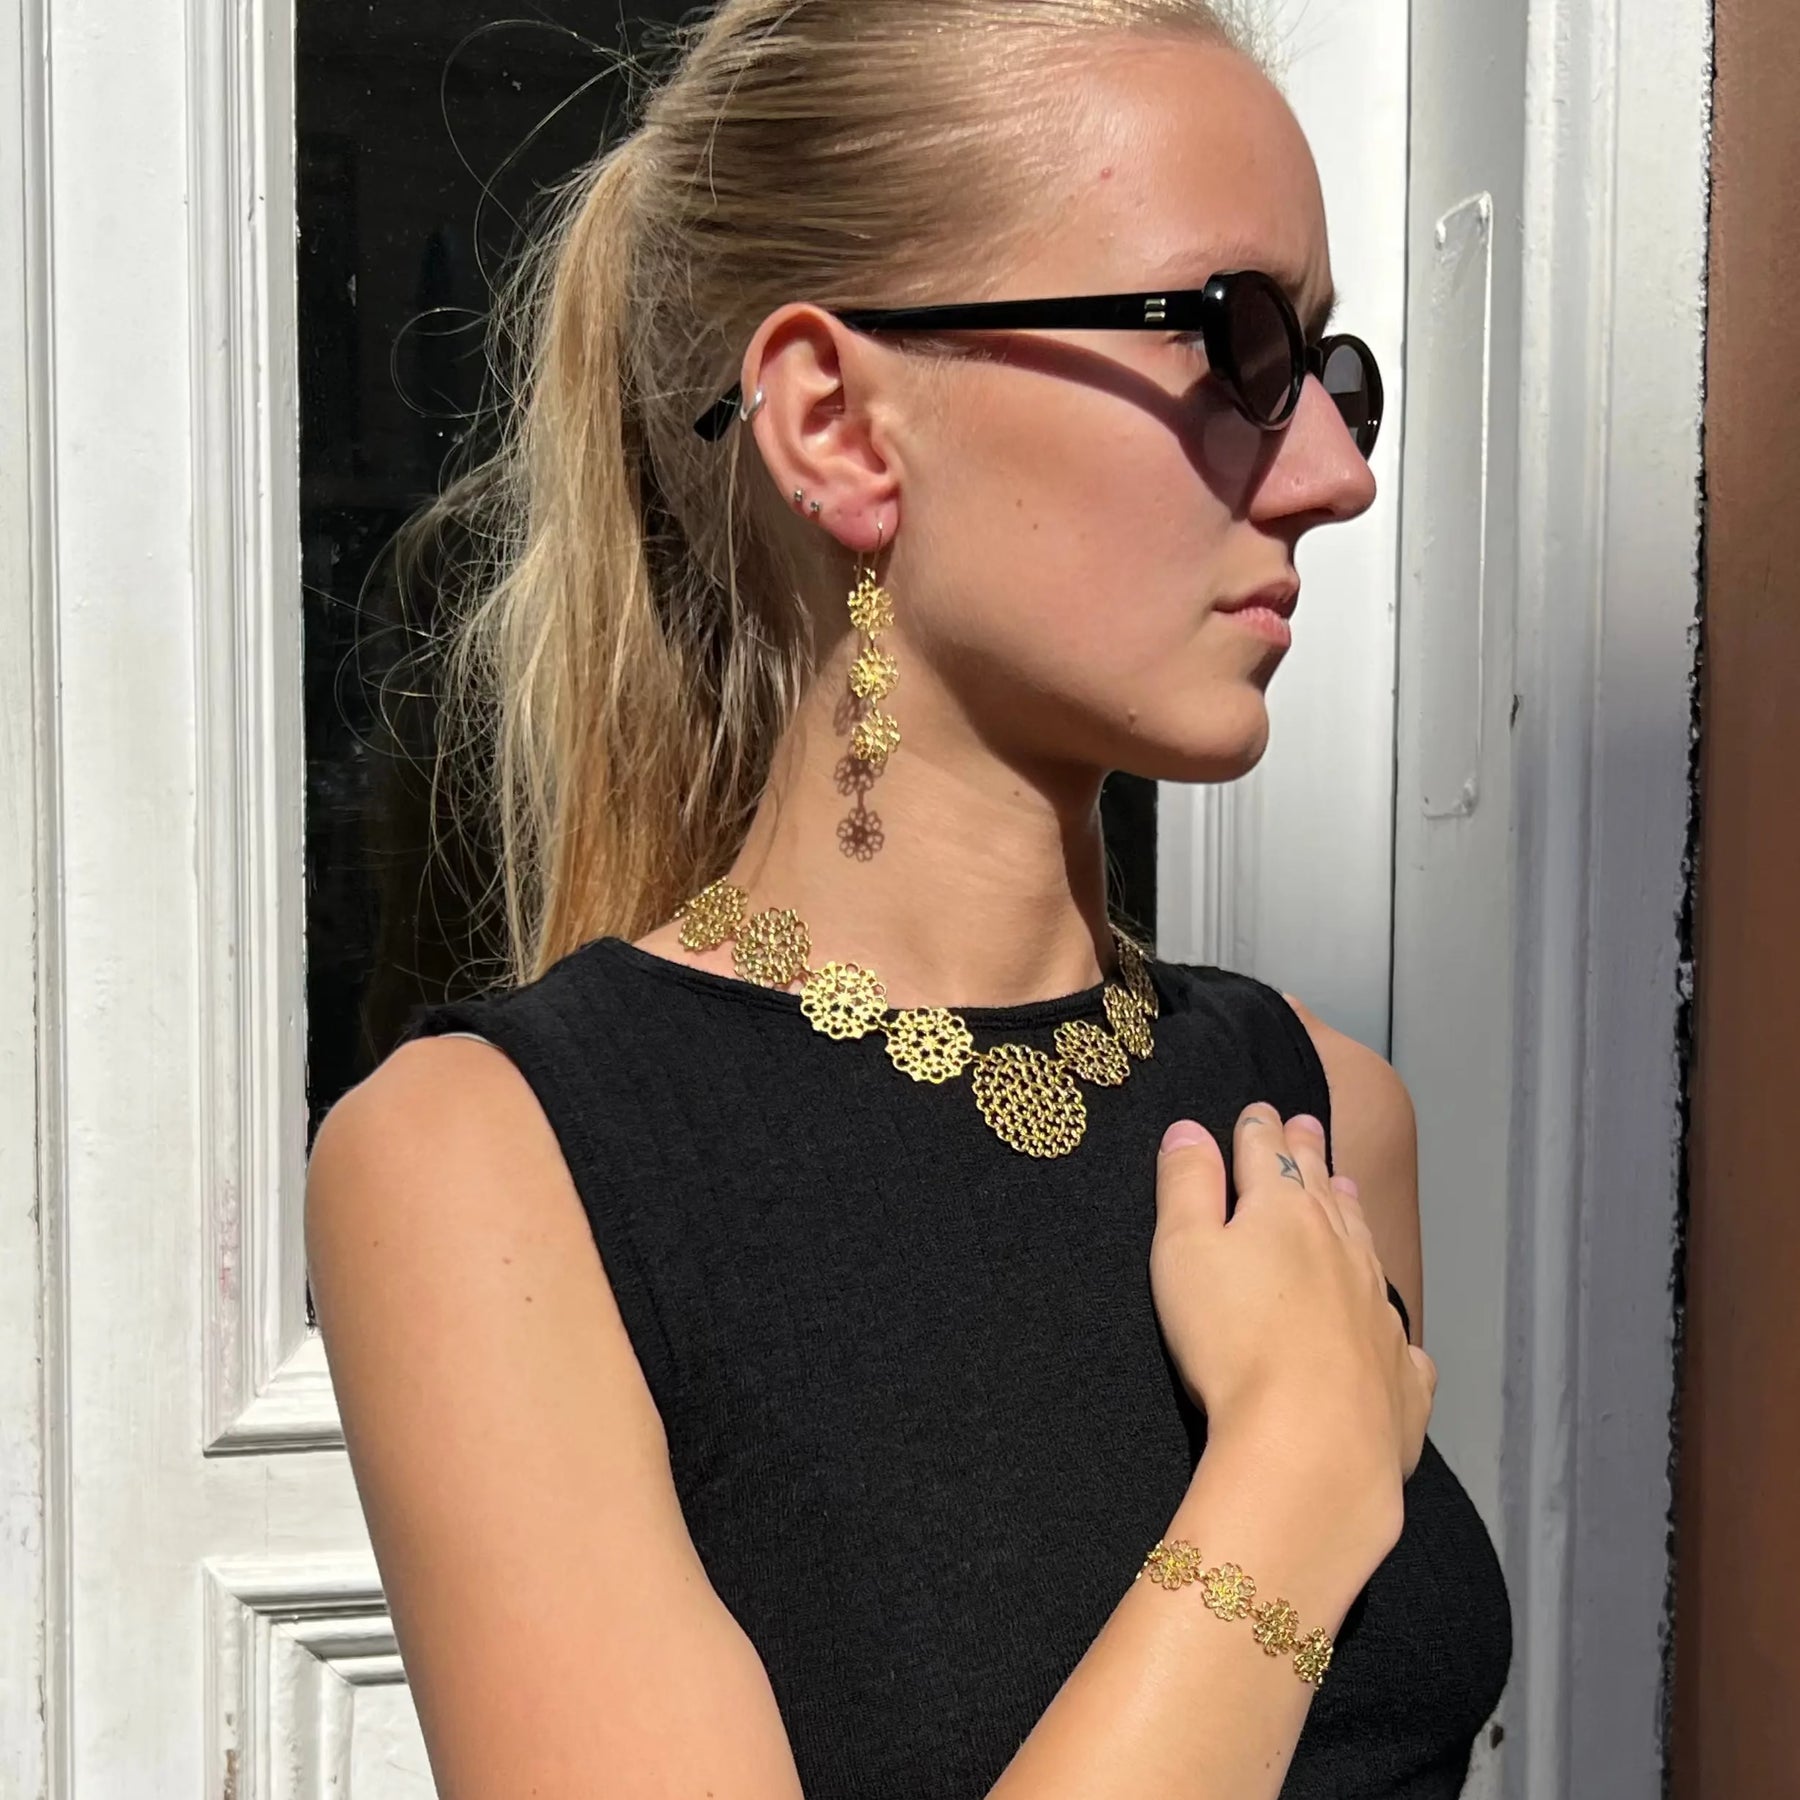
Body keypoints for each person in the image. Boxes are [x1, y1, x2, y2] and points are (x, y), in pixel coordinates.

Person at [304, 3, 1513, 1795]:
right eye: (1231, 340)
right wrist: (1291, 1479)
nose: (1336, 475)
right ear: (838, 425)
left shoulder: (1324, 1114)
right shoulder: (495, 1166)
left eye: (1330, 370)